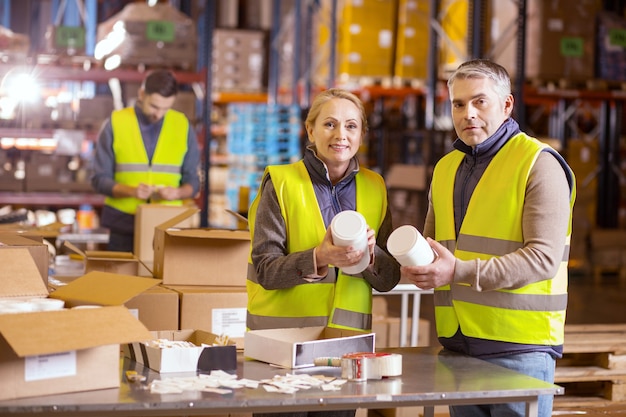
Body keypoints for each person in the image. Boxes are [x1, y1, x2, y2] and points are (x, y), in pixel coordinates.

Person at [401, 59, 576, 417]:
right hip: (458, 346)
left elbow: (543, 259)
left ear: (507, 105)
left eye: (480, 102)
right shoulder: (446, 168)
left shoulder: (538, 164)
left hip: (519, 350)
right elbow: (435, 248)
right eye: (458, 104)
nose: (469, 114)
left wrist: (456, 272)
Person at [246, 88, 401, 417]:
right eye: (329, 124)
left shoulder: (375, 187)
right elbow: (265, 270)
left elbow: (389, 279)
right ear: (310, 130)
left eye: (351, 126)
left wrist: (372, 257)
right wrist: (320, 257)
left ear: (361, 134)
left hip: (345, 351)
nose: (340, 135)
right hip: (283, 349)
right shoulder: (282, 183)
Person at [91, 69, 200, 252]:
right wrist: (131, 191)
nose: (159, 114)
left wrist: (178, 193)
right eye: (154, 106)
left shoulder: (182, 125)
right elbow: (99, 179)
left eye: (166, 108)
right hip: (123, 225)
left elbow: (193, 182)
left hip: (167, 226)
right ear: (142, 94)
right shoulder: (116, 123)